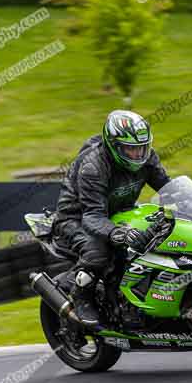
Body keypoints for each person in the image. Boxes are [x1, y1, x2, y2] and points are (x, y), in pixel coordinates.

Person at [53, 110, 171, 326]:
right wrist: (117, 233)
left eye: (142, 148)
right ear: (113, 145)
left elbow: (169, 188)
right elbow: (92, 216)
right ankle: (81, 294)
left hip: (118, 213)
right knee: (100, 252)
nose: (137, 154)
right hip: (76, 218)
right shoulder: (94, 166)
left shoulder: (148, 158)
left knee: (157, 235)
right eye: (130, 149)